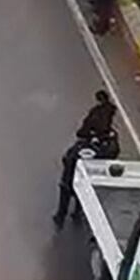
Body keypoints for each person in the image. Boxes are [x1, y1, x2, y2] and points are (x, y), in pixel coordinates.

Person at [53, 91, 121, 228]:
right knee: (82, 196)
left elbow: (67, 158)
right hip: (87, 180)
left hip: (69, 179)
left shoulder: (80, 147)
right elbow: (113, 155)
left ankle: (61, 216)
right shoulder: (109, 144)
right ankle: (77, 213)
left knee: (65, 197)